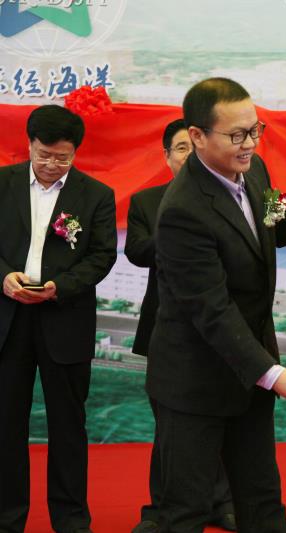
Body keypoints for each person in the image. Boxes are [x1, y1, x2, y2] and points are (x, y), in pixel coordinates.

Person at [146, 77, 286, 533]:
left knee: (261, 499)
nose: (249, 144)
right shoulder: (183, 210)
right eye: (236, 135)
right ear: (197, 136)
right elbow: (211, 310)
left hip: (249, 373)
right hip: (195, 384)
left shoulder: (253, 169)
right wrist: (272, 373)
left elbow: (260, 227)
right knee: (184, 511)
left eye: (255, 130)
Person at [0, 105, 117, 533]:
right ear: (29, 145)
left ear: (75, 152)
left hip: (64, 318)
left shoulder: (95, 195)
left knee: (68, 426)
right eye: (44, 154)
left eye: (62, 157)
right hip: (8, 321)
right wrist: (3, 277)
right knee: (5, 425)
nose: (52, 164)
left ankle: (70, 521)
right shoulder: (3, 183)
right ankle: (6, 519)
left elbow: (102, 256)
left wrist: (59, 286)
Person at [125, 119, 236, 533]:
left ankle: (221, 502)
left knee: (222, 418)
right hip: (166, 329)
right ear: (167, 157)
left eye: (194, 146)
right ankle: (161, 509)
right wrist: (182, 229)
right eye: (180, 148)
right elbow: (137, 251)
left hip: (223, 326)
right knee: (171, 425)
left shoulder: (232, 197)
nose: (188, 155)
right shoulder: (148, 201)